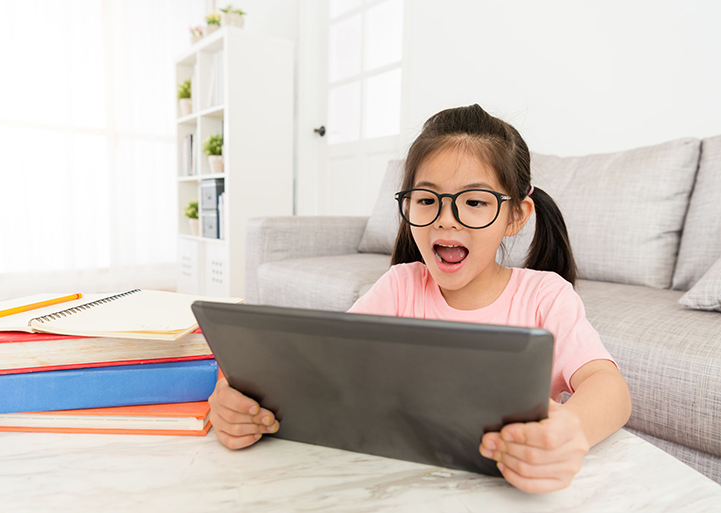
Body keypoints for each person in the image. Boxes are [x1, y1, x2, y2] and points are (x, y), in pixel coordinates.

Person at [208, 104, 632, 494]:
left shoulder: (545, 295)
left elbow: (609, 388)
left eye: (476, 202)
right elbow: (325, 361)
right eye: (427, 200)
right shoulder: (400, 286)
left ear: (516, 216)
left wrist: (571, 431)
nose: (446, 219)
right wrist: (235, 397)